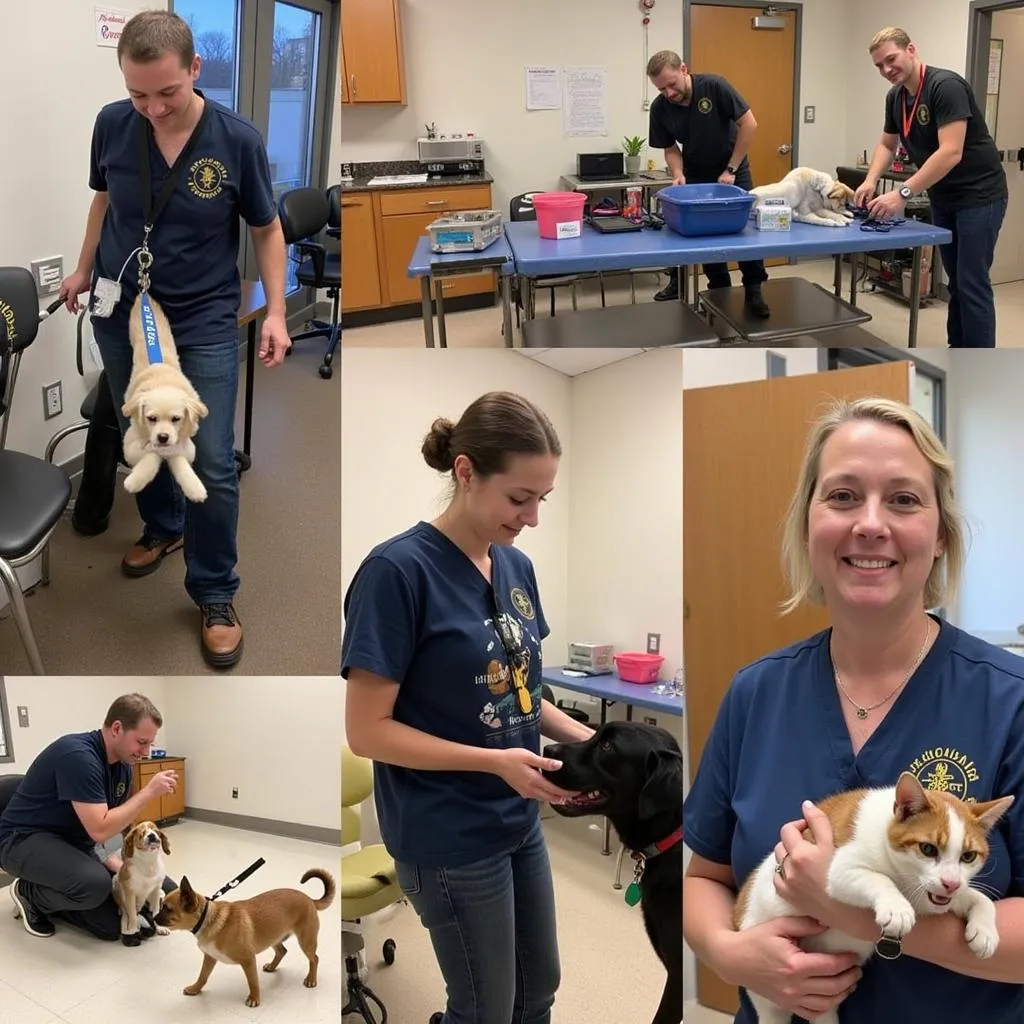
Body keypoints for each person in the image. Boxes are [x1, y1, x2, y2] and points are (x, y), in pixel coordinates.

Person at [682, 397, 1024, 1022]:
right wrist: (728, 954)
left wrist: (854, 915)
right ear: (808, 524)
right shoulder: (755, 693)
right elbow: (703, 876)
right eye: (842, 496)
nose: (870, 524)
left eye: (903, 499)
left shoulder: (1011, 700)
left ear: (941, 533)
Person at [341, 391, 594, 1024]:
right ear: (464, 472)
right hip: (446, 835)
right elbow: (367, 732)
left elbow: (521, 697)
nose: (533, 516)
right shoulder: (396, 574)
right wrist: (493, 762)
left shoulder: (517, 568)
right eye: (518, 498)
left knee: (538, 990)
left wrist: (587, 741)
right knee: (484, 1007)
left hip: (518, 819)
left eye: (543, 498)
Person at [58, 10, 292, 667]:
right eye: (138, 94)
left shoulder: (235, 140)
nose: (153, 108)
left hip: (202, 314)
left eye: (166, 92)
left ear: (195, 69)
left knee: (211, 460)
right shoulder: (112, 123)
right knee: (142, 426)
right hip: (122, 309)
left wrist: (275, 311)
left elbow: (267, 228)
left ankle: (215, 590)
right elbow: (102, 200)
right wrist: (82, 267)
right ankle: (163, 527)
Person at [854, 27, 1008, 349]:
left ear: (911, 49)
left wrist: (903, 193)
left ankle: (981, 368)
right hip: (944, 197)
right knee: (956, 284)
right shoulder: (896, 96)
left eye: (890, 59)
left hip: (979, 195)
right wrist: (869, 180)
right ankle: (958, 353)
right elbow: (887, 143)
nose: (886, 70)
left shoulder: (945, 86)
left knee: (972, 283)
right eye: (879, 66)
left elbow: (951, 151)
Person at [0, 693, 180, 942]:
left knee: (121, 920)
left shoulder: (123, 766)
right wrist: (149, 792)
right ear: (117, 728)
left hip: (72, 843)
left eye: (150, 744)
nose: (146, 752)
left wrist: (130, 869)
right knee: (94, 886)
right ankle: (30, 893)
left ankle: (66, 890)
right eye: (141, 742)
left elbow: (111, 828)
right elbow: (100, 829)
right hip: (22, 840)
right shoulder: (78, 757)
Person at [646, 49, 770, 317]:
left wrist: (731, 168)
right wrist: (678, 172)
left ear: (684, 70)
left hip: (733, 170)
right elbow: (669, 147)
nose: (668, 93)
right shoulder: (660, 108)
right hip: (697, 177)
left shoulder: (714, 86)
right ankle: (719, 292)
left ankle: (754, 290)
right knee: (707, 237)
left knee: (744, 235)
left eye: (672, 85)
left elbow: (749, 124)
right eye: (661, 88)